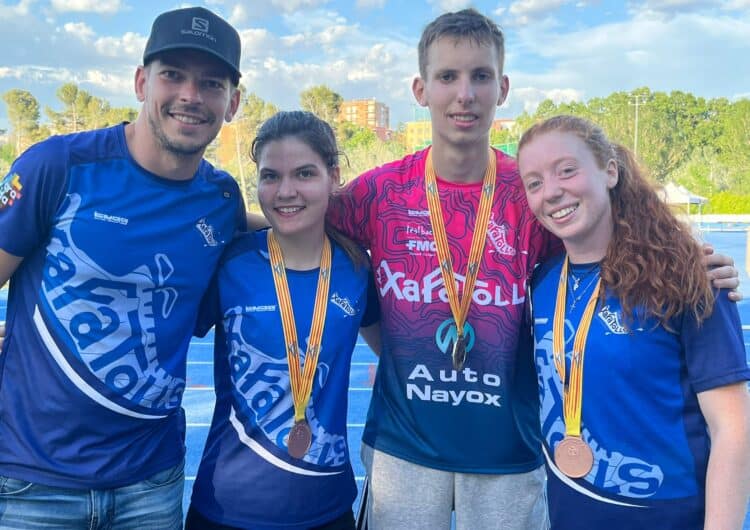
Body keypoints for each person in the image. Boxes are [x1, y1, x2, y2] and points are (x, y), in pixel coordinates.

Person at [322, 9, 742, 530]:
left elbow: (605, 234)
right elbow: (295, 216)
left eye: (480, 76)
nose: (464, 94)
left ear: (502, 87)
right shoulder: (379, 192)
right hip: (404, 449)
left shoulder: (530, 189)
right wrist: (231, 215)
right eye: (447, 76)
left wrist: (689, 260)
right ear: (420, 89)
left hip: (511, 452)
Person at [0, 6, 244, 528]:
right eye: (172, 74)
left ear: (233, 102)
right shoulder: (57, 167)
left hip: (150, 485)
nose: (190, 95)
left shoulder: (223, 201)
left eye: (211, 83)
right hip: (31, 485)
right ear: (141, 81)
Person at [518, 115, 750, 529]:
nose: (551, 192)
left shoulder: (689, 276)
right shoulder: (540, 283)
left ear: (609, 171)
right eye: (534, 183)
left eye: (566, 171)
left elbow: (733, 428)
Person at [184, 110, 379, 530]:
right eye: (270, 176)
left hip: (325, 508)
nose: (285, 191)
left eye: (304, 174)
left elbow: (396, 358)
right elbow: (156, 334)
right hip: (226, 508)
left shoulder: (357, 270)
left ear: (334, 176)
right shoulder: (229, 262)